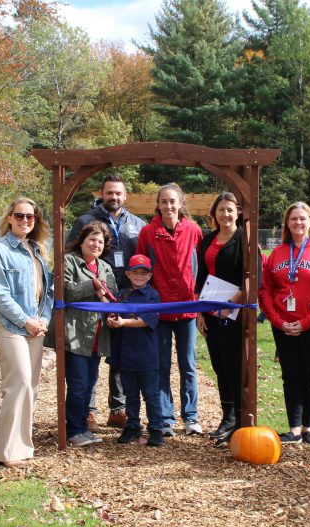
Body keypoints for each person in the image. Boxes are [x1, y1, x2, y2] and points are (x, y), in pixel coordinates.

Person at [66, 173, 146, 430]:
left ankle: (118, 409)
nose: (114, 197)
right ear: (101, 194)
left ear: (126, 196)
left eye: (118, 193)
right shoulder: (86, 221)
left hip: (124, 295)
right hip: (90, 296)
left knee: (118, 355)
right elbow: (70, 254)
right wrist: (91, 285)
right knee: (89, 353)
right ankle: (87, 413)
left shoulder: (137, 224)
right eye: (109, 192)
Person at [258, 202, 310, 445]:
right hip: (283, 324)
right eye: (293, 219)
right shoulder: (279, 253)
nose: (298, 223)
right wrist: (278, 321)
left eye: (303, 218)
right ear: (287, 223)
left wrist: (307, 323)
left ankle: (308, 428)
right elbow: (265, 291)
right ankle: (293, 429)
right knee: (290, 375)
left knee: (309, 376)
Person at [0, 198, 53, 467]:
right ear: (10, 218)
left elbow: (47, 292)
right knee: (19, 384)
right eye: (20, 215)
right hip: (10, 325)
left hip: (36, 326)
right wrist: (26, 321)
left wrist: (43, 319)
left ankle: (23, 447)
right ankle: (6, 451)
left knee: (31, 388)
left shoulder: (37, 250)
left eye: (31, 216)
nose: (25, 220)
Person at [135, 183, 204, 436]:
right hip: (161, 310)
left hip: (187, 308)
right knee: (161, 364)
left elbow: (202, 266)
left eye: (173, 201)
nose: (168, 206)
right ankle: (165, 418)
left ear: (181, 203)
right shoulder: (148, 232)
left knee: (188, 364)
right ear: (158, 204)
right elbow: (140, 269)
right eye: (164, 201)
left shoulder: (194, 231)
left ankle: (191, 416)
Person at [196, 193, 248, 441]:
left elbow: (251, 278)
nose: (225, 215)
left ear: (237, 212)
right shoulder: (207, 241)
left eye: (230, 210)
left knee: (233, 366)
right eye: (221, 210)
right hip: (210, 312)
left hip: (233, 312)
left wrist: (231, 304)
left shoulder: (245, 240)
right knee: (218, 365)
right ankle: (227, 416)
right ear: (214, 214)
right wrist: (200, 313)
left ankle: (239, 417)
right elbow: (200, 276)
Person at [63, 221, 118, 447]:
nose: (96, 244)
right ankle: (73, 429)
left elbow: (112, 294)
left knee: (89, 384)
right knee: (77, 385)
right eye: (92, 239)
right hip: (75, 334)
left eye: (100, 241)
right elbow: (66, 291)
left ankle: (83, 427)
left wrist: (113, 313)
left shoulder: (105, 267)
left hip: (98, 335)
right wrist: (92, 285)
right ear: (82, 241)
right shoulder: (70, 262)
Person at [107, 254, 164, 447]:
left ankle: (156, 428)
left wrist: (123, 322)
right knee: (130, 393)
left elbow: (146, 321)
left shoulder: (153, 296)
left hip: (146, 354)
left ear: (149, 276)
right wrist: (113, 322)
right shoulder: (123, 295)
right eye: (135, 272)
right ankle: (132, 426)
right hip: (126, 353)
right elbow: (114, 314)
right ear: (128, 274)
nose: (139, 276)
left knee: (151, 394)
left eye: (144, 272)